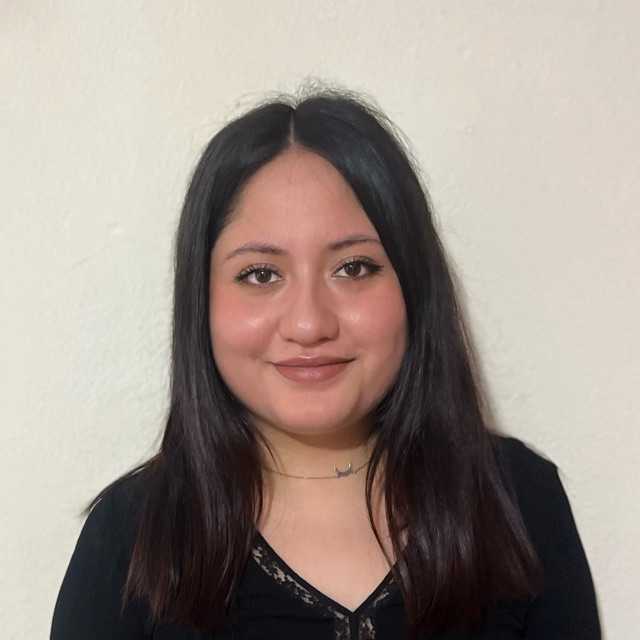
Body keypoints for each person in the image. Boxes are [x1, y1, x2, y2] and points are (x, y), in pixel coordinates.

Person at [50, 85, 601, 639]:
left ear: (413, 284)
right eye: (260, 274)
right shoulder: (129, 538)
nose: (310, 324)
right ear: (202, 300)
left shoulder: (519, 502)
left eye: (354, 268)